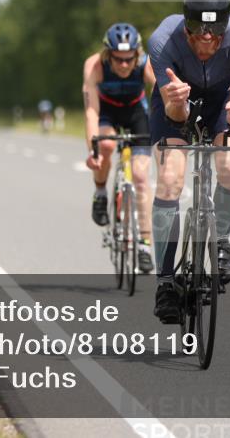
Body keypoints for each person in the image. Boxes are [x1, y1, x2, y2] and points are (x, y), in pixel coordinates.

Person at [146, 0, 230, 323]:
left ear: (226, 27)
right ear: (185, 25)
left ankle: (221, 240)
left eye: (215, 30)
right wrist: (177, 101)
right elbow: (174, 117)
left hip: (222, 102)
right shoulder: (162, 40)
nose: (207, 38)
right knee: (169, 179)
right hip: (176, 100)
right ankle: (166, 282)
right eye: (198, 30)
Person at [82, 22, 157, 273]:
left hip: (137, 112)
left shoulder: (145, 63)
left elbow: (159, 94)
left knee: (140, 177)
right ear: (107, 55)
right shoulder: (94, 66)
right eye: (118, 60)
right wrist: (92, 151)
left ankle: (145, 244)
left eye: (129, 59)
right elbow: (91, 111)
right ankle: (101, 192)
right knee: (104, 145)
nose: (124, 65)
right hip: (108, 113)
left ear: (137, 54)